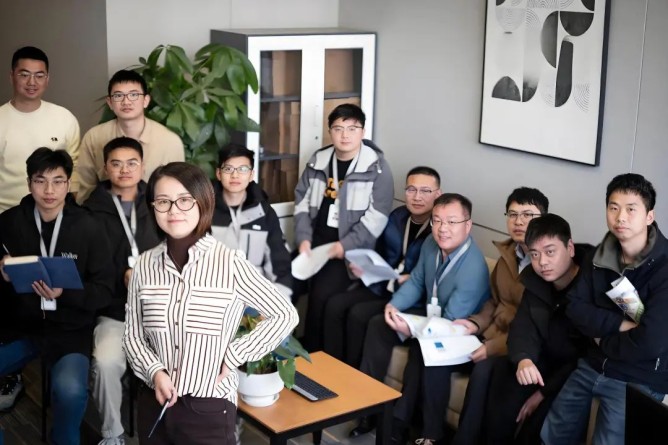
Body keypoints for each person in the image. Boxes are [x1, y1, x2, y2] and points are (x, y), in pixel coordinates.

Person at [123, 162, 298, 444]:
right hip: (155, 404)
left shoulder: (229, 263)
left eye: (184, 200)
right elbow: (133, 336)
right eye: (163, 201)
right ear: (153, 207)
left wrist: (234, 355)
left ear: (202, 203)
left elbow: (284, 314)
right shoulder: (144, 265)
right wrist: (155, 373)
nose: (174, 210)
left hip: (209, 407)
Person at [541, 173, 668, 445]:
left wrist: (602, 339)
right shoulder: (600, 255)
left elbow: (651, 342)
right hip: (593, 364)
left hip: (640, 377)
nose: (620, 217)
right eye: (613, 207)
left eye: (631, 209)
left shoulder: (664, 268)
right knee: (550, 434)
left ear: (649, 216)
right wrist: (620, 325)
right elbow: (575, 307)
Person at [0, 148, 114, 444]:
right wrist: (2, 273)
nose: (49, 190)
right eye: (40, 181)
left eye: (58, 181)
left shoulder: (89, 226)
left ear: (68, 184)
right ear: (29, 183)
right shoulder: (9, 222)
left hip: (70, 331)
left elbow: (105, 290)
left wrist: (66, 293)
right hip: (21, 328)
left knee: (70, 391)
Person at [366, 193, 491, 444]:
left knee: (423, 351)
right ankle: (366, 406)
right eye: (437, 221)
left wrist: (412, 330)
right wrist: (394, 305)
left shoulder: (474, 267)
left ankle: (415, 429)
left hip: (460, 333)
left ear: (467, 225)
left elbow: (452, 322)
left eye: (451, 222)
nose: (443, 228)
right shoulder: (431, 245)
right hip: (433, 320)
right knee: (379, 323)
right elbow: (417, 281)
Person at [450, 187, 549, 445]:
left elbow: (537, 329)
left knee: (483, 370)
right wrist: (475, 323)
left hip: (519, 348)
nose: (519, 221)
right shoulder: (508, 255)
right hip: (491, 335)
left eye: (528, 215)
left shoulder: (547, 264)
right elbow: (494, 302)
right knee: (434, 353)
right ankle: (425, 432)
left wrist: (493, 347)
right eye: (513, 214)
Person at [294, 103, 394, 351]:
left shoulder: (376, 167)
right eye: (338, 128)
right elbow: (302, 201)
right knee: (281, 282)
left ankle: (315, 359)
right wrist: (304, 238)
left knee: (320, 296)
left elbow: (377, 217)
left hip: (348, 250)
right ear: (330, 131)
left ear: (363, 131)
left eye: (352, 128)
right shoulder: (318, 160)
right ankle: (275, 352)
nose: (345, 135)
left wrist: (344, 246)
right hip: (315, 242)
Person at [483, 214, 590, 444]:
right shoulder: (535, 280)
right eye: (534, 254)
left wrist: (543, 393)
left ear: (570, 248)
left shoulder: (591, 284)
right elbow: (522, 328)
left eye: (550, 252)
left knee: (538, 423)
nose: (542, 262)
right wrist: (524, 359)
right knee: (503, 371)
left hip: (571, 374)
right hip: (542, 363)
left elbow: (585, 353)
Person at [83, 137, 160, 445]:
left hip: (157, 311)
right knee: (105, 363)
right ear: (105, 168)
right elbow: (86, 265)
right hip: (113, 312)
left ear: (142, 166)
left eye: (131, 163)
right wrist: (121, 276)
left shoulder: (159, 204)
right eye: (116, 163)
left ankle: (173, 430)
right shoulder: (89, 211)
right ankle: (112, 434)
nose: (124, 170)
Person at [325, 166, 441, 367]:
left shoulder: (440, 229)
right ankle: (329, 367)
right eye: (411, 189)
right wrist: (364, 266)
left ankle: (350, 372)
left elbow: (435, 275)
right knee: (335, 304)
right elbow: (378, 252)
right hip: (383, 285)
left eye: (425, 191)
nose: (417, 197)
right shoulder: (398, 217)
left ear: (437, 195)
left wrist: (411, 279)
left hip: (411, 297)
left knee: (358, 314)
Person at [76, 69, 184, 203]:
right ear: (110, 102)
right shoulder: (94, 137)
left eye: (133, 95)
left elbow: (177, 191)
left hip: (154, 212)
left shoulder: (170, 141)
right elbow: (86, 189)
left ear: (146, 100)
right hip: (105, 212)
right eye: (118, 96)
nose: (126, 102)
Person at [0, 46, 80, 212]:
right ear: (12, 76)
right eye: (24, 75)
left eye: (39, 75)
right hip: (6, 214)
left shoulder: (64, 118)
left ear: (47, 79)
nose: (32, 82)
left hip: (55, 215)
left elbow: (75, 169)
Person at [212, 143, 292, 299]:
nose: (235, 175)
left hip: (256, 294)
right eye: (228, 169)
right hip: (216, 294)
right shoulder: (204, 211)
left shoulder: (264, 212)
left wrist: (279, 301)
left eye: (242, 169)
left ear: (251, 175)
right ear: (219, 174)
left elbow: (279, 263)